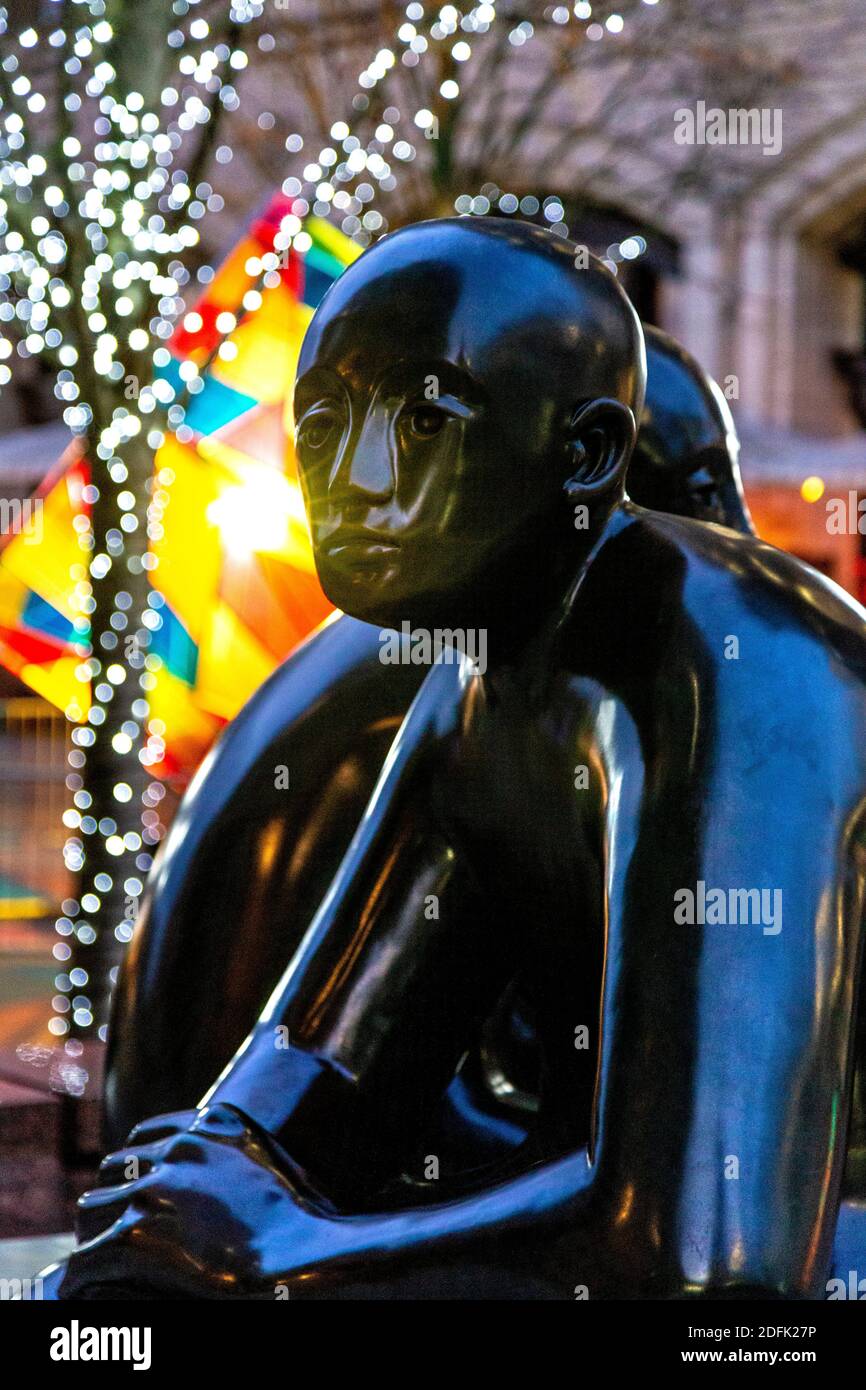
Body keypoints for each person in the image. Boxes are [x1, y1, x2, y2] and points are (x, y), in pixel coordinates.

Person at [46, 218, 866, 1300]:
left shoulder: (743, 671)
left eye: (426, 419)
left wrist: (269, 1257)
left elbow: (715, 1269)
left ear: (584, 458)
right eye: (325, 421)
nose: (355, 479)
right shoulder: (475, 676)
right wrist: (178, 1225)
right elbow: (310, 1086)